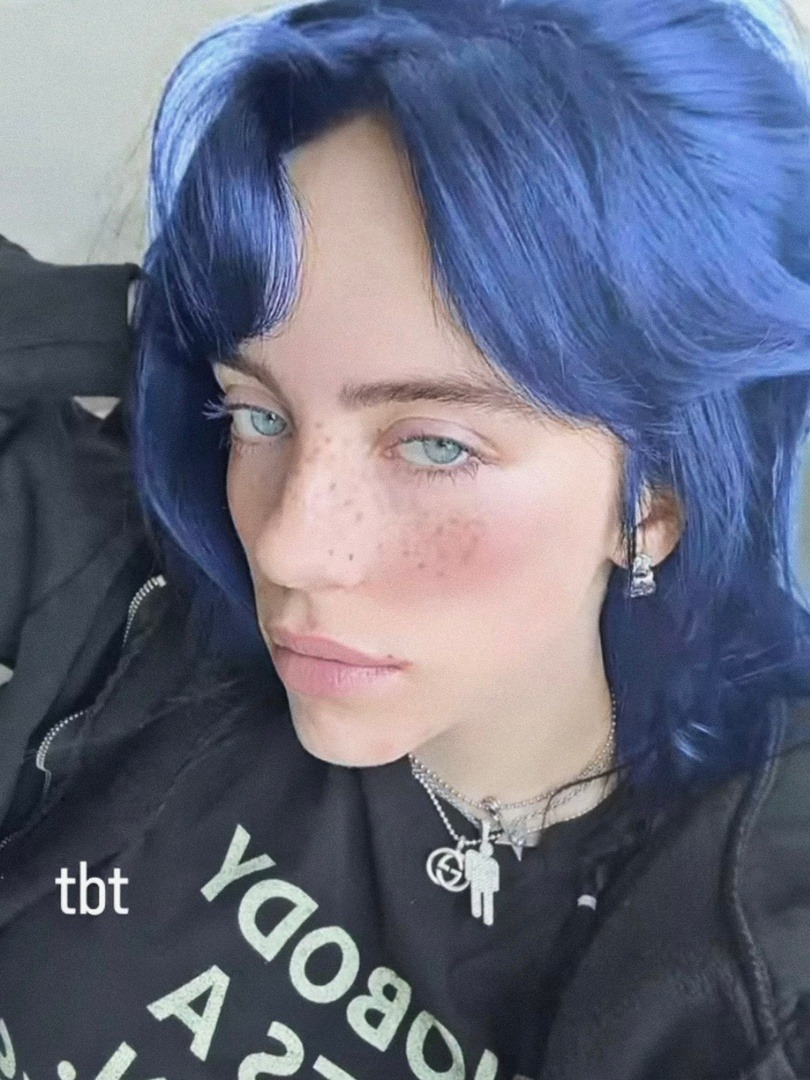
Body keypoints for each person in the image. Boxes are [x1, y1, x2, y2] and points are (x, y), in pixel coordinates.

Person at [1, 0, 810, 1076]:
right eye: (258, 413)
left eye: (434, 446)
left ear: (657, 500)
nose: (285, 548)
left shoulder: (753, 956)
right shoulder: (130, 603)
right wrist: (148, 330)